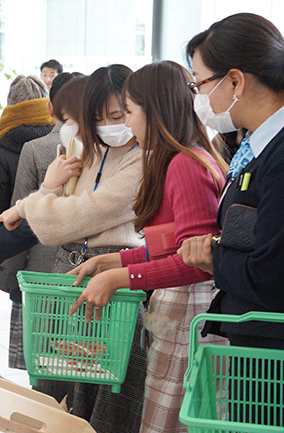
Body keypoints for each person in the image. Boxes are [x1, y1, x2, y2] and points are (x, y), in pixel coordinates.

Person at [0, 65, 148, 433]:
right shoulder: (88, 150)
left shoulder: (143, 159)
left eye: (119, 116)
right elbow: (49, 218)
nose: (110, 125)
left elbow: (82, 214)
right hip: (70, 276)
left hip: (114, 284)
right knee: (62, 391)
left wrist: (27, 203)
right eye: (98, 118)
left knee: (110, 401)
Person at [68, 61, 229, 433]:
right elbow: (175, 243)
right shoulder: (186, 158)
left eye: (129, 112)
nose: (127, 123)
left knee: (167, 420)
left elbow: (196, 263)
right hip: (181, 308)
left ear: (153, 110)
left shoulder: (184, 165)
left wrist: (123, 277)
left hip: (188, 310)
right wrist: (117, 260)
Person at [178, 14, 284, 425]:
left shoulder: (277, 155)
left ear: (236, 81)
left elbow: (270, 273)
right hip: (255, 337)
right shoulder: (257, 148)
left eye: (200, 83)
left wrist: (212, 256)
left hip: (270, 346)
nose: (198, 95)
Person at [0, 72, 86, 368]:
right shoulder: (105, 150)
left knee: (44, 364)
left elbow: (24, 220)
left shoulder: (35, 149)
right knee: (83, 362)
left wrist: (8, 277)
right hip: (89, 274)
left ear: (50, 107)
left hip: (40, 275)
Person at [0, 75, 53, 230]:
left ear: (10, 106)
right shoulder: (59, 139)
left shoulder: (3, 148)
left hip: (13, 234)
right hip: (53, 235)